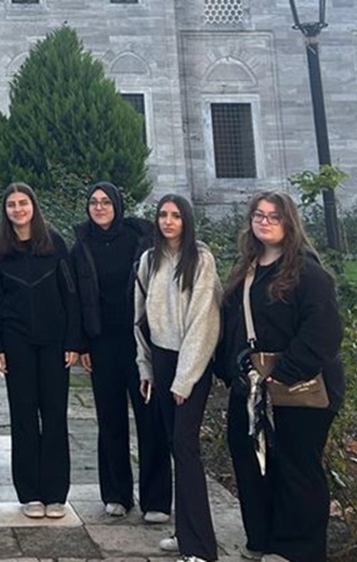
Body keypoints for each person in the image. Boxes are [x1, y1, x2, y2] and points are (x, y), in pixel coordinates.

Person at [213, 192, 344, 562]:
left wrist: (284, 373)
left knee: (295, 466)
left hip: (301, 388)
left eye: (274, 216)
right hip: (251, 386)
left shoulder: (307, 273)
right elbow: (232, 323)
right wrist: (229, 368)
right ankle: (262, 538)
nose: (265, 222)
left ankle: (297, 549)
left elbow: (323, 330)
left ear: (289, 222)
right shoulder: (246, 270)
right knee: (250, 460)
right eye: (259, 215)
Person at [69, 181, 172, 523]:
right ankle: (116, 494)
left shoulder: (140, 239)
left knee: (150, 419)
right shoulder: (82, 244)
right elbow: (76, 298)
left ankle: (156, 500)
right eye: (93, 202)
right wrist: (82, 343)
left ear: (117, 205)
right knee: (110, 420)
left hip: (140, 342)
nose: (99, 207)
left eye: (105, 202)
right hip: (102, 344)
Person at [0, 182, 81, 519]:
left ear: (33, 206)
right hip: (16, 341)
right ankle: (30, 493)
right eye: (11, 204)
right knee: (23, 415)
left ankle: (55, 493)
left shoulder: (53, 242)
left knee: (54, 415)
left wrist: (73, 340)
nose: (18, 209)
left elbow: (70, 293)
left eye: (23, 203)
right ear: (6, 211)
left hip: (54, 341)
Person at [134, 194, 221, 562]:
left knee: (186, 448)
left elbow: (204, 321)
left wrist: (184, 379)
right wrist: (145, 367)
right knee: (175, 445)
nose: (168, 221)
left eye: (175, 215)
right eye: (162, 215)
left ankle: (201, 547)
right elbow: (139, 318)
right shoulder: (148, 260)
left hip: (192, 362)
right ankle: (184, 531)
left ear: (186, 220)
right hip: (163, 358)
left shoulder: (200, 259)